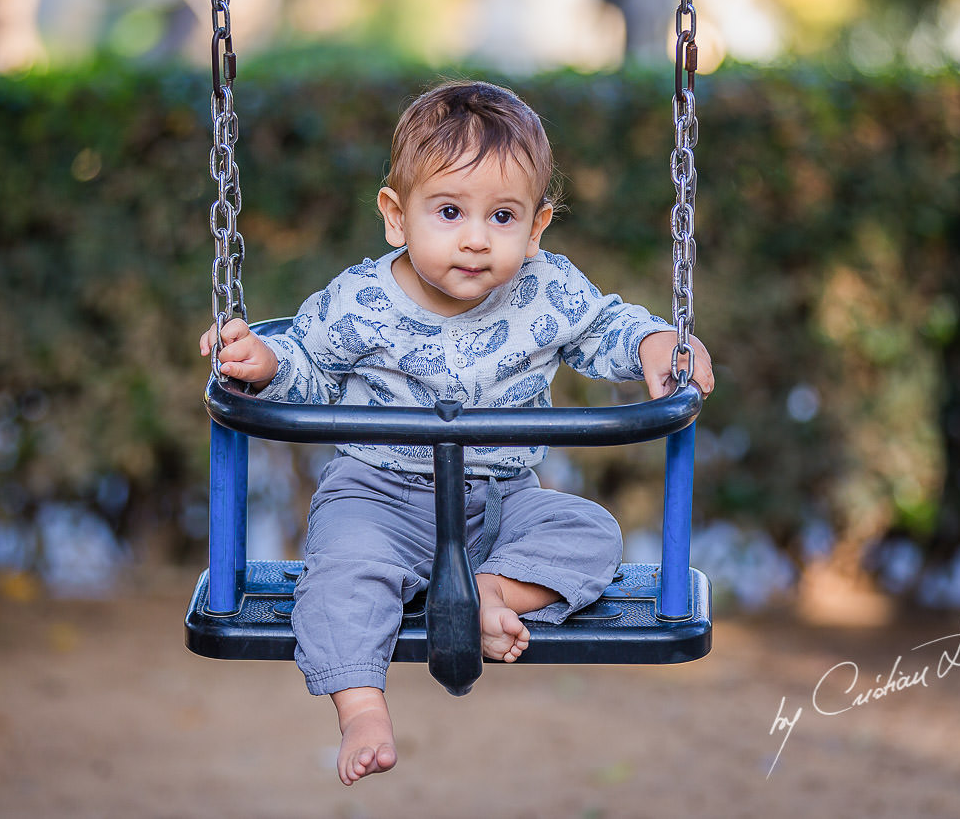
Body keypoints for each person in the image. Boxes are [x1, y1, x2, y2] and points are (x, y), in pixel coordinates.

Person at [200, 80, 714, 786]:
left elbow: (604, 329)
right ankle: (361, 707)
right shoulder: (360, 300)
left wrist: (655, 343)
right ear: (396, 216)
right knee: (339, 577)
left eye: (503, 216)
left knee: (590, 530)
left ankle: (491, 593)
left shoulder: (546, 289)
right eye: (448, 211)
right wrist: (262, 366)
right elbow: (308, 365)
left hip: (500, 503)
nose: (476, 238)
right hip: (376, 497)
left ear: (537, 228)